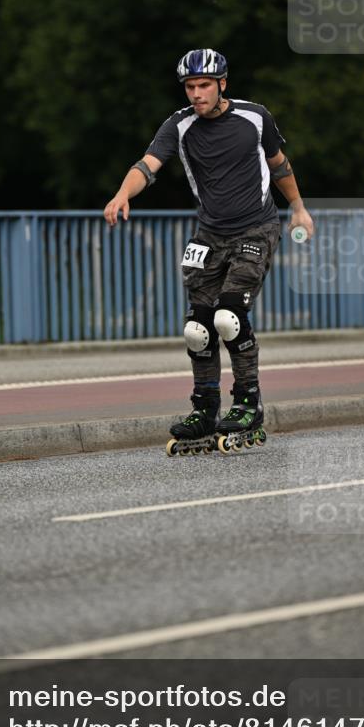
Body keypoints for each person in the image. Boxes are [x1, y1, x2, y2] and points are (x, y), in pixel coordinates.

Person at [103, 48, 314, 444]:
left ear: (222, 84)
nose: (197, 93)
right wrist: (122, 194)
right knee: (197, 328)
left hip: (256, 228)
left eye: (204, 85)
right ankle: (205, 408)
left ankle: (248, 402)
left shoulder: (255, 117)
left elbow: (279, 164)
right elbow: (147, 165)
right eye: (190, 86)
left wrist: (299, 208)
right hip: (209, 235)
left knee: (228, 317)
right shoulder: (179, 125)